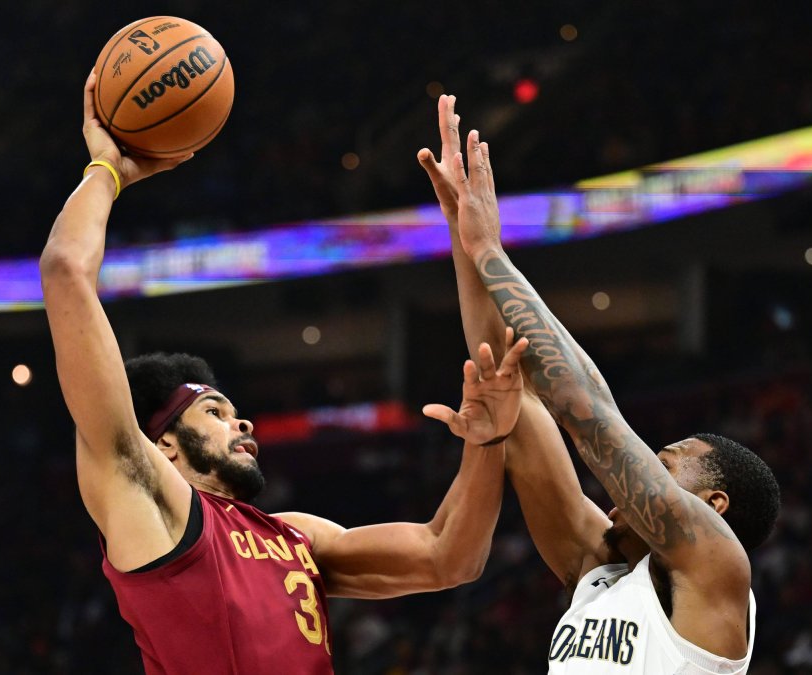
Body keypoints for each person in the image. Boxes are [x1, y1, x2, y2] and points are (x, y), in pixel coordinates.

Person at [39, 71, 530, 675]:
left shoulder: (294, 536)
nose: (241, 418)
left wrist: (487, 443)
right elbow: (65, 269)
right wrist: (108, 171)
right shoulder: (147, 501)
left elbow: (447, 557)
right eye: (214, 411)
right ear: (163, 443)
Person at [417, 95, 781, 673]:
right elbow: (506, 374)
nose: (634, 472)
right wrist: (466, 241)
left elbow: (588, 410)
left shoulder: (716, 565)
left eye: (664, 462)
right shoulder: (598, 563)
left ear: (712, 506)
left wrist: (492, 250)